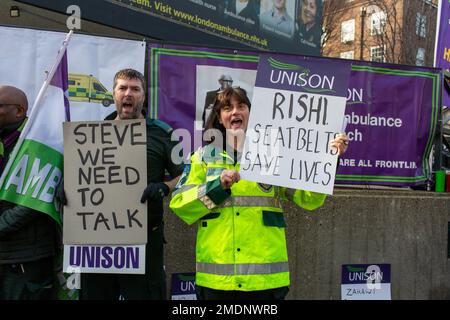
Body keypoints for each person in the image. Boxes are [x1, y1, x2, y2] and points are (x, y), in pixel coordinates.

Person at [170, 87, 349, 300]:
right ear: (219, 117)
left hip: (265, 283)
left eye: (241, 106)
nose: (235, 112)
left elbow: (308, 199)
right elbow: (180, 205)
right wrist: (216, 187)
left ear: (250, 113)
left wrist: (329, 161)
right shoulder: (202, 157)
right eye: (228, 108)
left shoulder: (275, 155)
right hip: (217, 283)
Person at [79, 69, 183, 300]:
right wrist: (68, 188)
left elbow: (185, 175)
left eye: (135, 89)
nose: (128, 93)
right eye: (122, 88)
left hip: (145, 239)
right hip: (98, 241)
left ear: (144, 96)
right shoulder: (91, 134)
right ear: (114, 94)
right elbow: (80, 175)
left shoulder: (164, 134)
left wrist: (165, 187)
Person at [0, 85, 58, 300]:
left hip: (26, 259)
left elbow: (34, 202)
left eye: (0, 106)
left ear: (20, 111)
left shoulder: (41, 144)